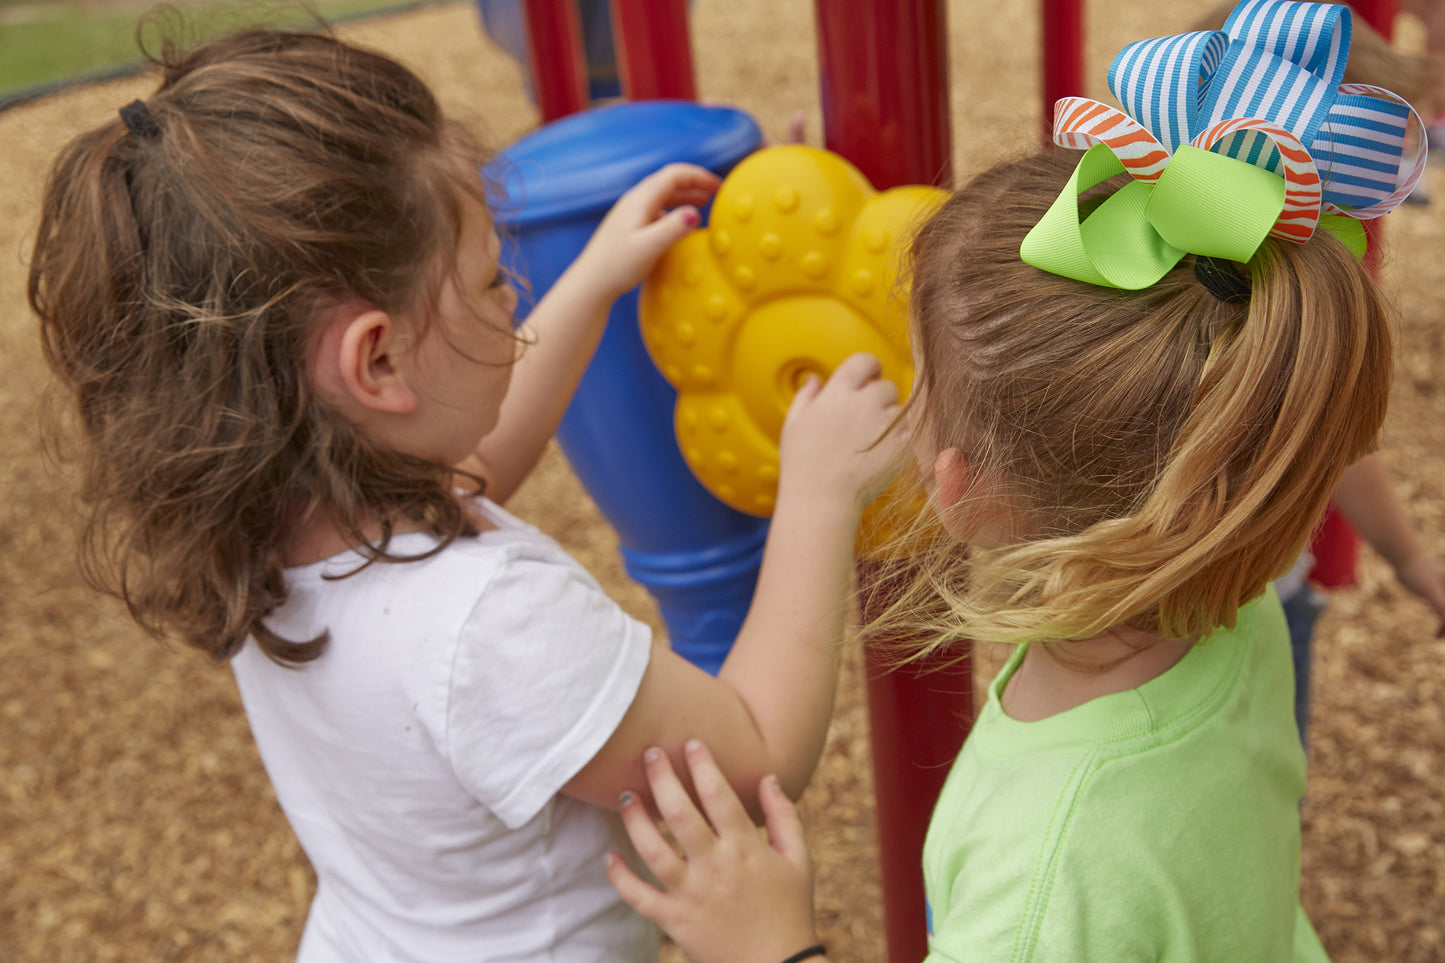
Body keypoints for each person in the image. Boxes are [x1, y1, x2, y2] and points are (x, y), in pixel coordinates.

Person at [27, 28, 904, 962]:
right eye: (492, 280)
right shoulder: (490, 626)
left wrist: (595, 278)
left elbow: (468, 472)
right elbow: (754, 755)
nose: (514, 299)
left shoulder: (270, 521)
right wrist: (818, 492)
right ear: (377, 360)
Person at [605, 0, 1427, 949]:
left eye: (919, 383)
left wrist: (771, 943)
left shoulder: (1046, 870)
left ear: (959, 489)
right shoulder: (1225, 598)